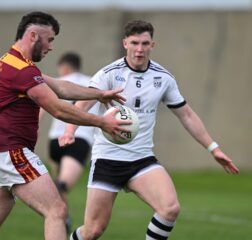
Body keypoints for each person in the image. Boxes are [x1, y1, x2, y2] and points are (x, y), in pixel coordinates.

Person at [0, 11, 130, 240]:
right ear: (34, 36)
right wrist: (102, 122)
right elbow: (58, 108)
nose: (51, 46)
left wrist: (98, 94)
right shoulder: (21, 70)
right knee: (56, 210)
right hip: (12, 152)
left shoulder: (13, 62)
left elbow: (61, 87)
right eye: (50, 39)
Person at [59, 20, 240, 240]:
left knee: (170, 208)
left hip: (141, 159)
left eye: (145, 43)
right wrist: (69, 132)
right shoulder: (108, 74)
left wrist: (213, 148)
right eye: (134, 42)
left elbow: (187, 115)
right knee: (93, 231)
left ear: (152, 45)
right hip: (108, 159)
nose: (139, 49)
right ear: (125, 43)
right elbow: (82, 105)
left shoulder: (163, 78)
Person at [41, 52, 99, 233]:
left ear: (64, 67)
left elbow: (42, 108)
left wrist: (34, 128)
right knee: (60, 187)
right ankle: (61, 219)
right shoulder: (93, 83)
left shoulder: (57, 82)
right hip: (79, 139)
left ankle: (61, 219)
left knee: (58, 186)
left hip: (55, 140)